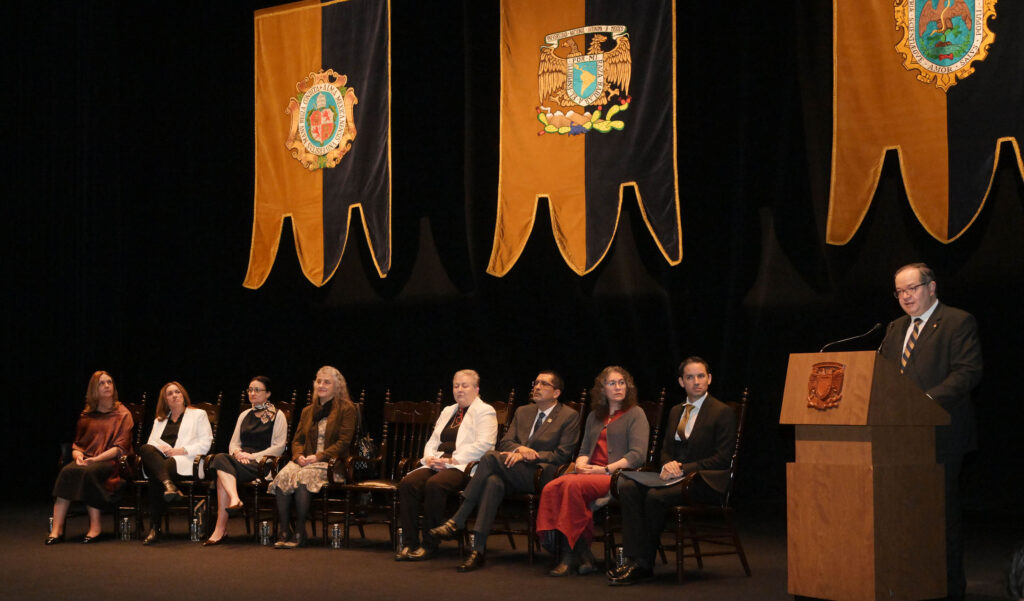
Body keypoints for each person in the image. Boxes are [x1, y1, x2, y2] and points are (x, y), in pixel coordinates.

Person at [877, 262, 982, 601]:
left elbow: (967, 373)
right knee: (904, 516)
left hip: (942, 437)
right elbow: (883, 377)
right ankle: (911, 584)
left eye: (912, 288)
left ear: (932, 287)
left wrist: (924, 400)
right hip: (899, 438)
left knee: (939, 516)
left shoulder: (957, 321)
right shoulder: (894, 328)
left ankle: (950, 590)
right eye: (900, 291)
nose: (905, 296)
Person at [430, 371, 581, 572]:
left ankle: (458, 519)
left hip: (542, 474)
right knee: (493, 481)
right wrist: (519, 449)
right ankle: (478, 551)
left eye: (544, 384)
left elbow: (563, 455)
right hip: (513, 470)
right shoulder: (523, 411)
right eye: (535, 383)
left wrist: (532, 454)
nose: (537, 387)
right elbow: (506, 442)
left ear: (556, 393)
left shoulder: (569, 416)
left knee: (490, 457)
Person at [608, 357, 737, 585]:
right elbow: (666, 451)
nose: (696, 381)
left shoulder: (721, 412)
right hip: (675, 477)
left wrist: (683, 468)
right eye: (690, 377)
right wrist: (668, 463)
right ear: (681, 382)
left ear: (709, 379)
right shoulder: (677, 411)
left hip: (704, 480)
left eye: (701, 376)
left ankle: (644, 564)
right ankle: (633, 557)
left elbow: (722, 458)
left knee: (655, 497)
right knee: (627, 486)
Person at [536, 366, 649, 576]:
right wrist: (580, 464)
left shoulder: (636, 414)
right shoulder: (594, 416)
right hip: (589, 474)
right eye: (612, 383)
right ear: (602, 389)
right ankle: (583, 553)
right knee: (552, 487)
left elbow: (637, 455)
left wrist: (604, 469)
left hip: (616, 475)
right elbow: (585, 449)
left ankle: (569, 556)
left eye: (622, 382)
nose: (618, 387)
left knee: (570, 485)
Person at [395, 369, 497, 561]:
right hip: (439, 462)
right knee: (408, 483)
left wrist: (452, 460)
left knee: (435, 485)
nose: (459, 390)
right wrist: (430, 458)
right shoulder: (448, 410)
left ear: (476, 389)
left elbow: (485, 445)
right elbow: (433, 440)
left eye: (464, 386)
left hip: (464, 466)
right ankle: (410, 543)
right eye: (456, 386)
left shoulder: (485, 411)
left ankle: (429, 544)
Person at [268, 365, 356, 548]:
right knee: (282, 476)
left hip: (333, 464)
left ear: (337, 386)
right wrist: (299, 455)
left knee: (303, 478)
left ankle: (300, 532)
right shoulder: (307, 411)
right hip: (306, 461)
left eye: (327, 382)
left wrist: (318, 457)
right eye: (318, 381)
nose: (321, 385)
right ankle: (284, 531)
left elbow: (343, 442)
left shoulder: (347, 409)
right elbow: (297, 440)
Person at [48, 371, 134, 544]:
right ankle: (56, 529)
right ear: (94, 389)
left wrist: (96, 459)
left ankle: (95, 527)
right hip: (87, 459)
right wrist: (78, 456)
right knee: (67, 471)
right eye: (102, 383)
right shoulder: (87, 415)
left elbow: (121, 447)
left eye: (109, 382)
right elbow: (77, 444)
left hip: (111, 461)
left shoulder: (123, 413)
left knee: (89, 472)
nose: (107, 386)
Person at [203, 376, 288, 545]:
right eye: (250, 390)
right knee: (221, 458)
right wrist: (238, 454)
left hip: (263, 463)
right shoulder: (244, 415)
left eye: (257, 390)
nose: (252, 393)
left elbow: (279, 447)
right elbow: (233, 443)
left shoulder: (278, 415)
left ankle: (220, 528)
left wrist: (252, 456)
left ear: (268, 393)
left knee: (221, 471)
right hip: (241, 461)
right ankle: (234, 501)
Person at [139, 381, 213, 544]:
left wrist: (180, 450)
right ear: (165, 399)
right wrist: (163, 449)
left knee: (155, 475)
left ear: (183, 395)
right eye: (170, 393)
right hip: (162, 460)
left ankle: (154, 527)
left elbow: (206, 443)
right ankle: (169, 485)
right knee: (145, 448)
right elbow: (152, 443)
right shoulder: (160, 420)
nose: (174, 396)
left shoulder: (198, 414)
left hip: (187, 459)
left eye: (177, 392)